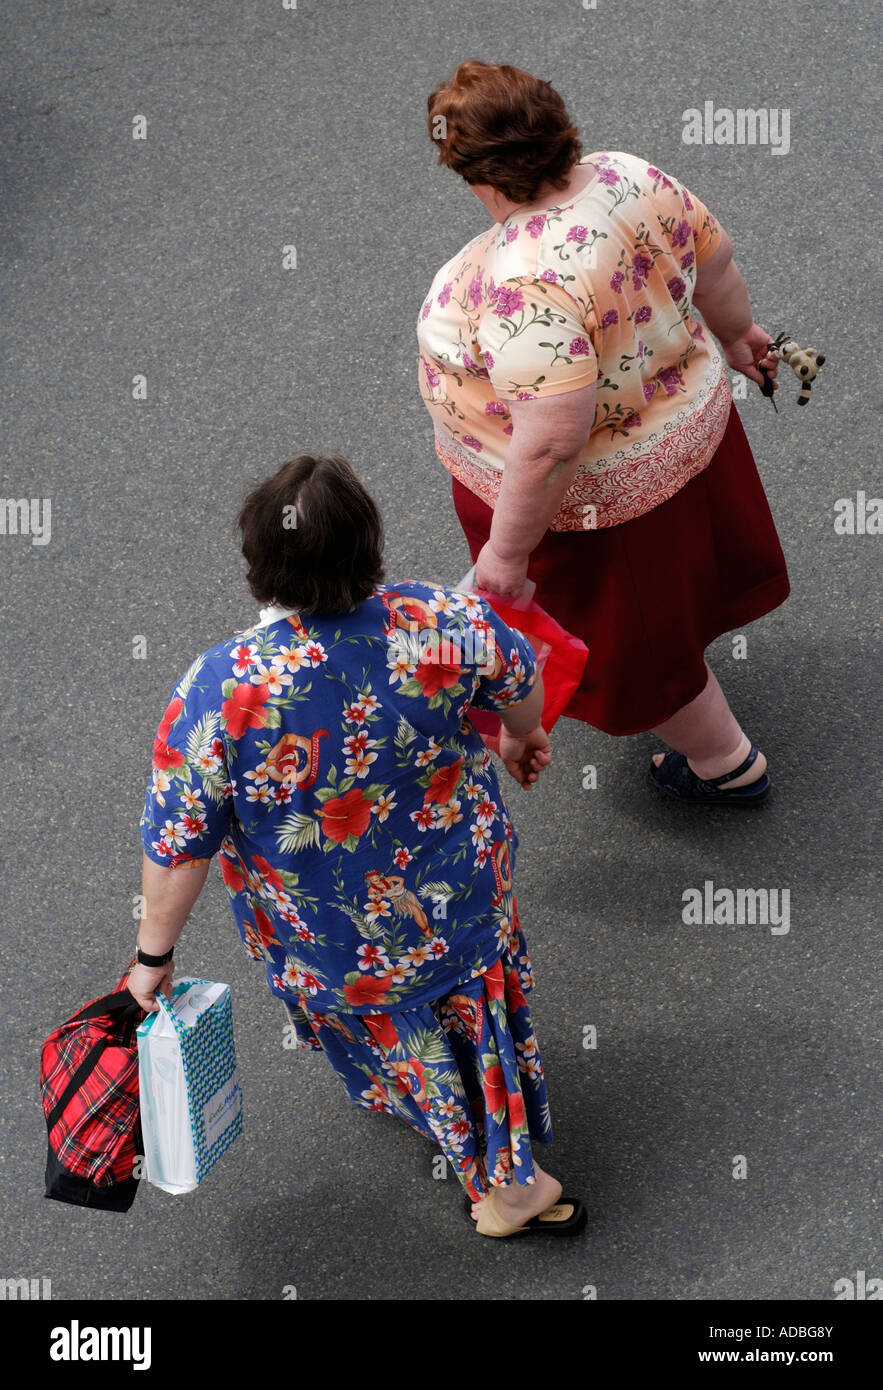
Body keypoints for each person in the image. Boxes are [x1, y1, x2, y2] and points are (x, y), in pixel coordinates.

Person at [129, 453, 584, 1238]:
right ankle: (463, 1123)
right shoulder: (442, 619)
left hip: (331, 932)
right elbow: (519, 682)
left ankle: (514, 1187)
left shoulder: (222, 688)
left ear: (259, 566)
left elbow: (179, 843)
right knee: (467, 1010)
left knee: (397, 1027)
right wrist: (522, 737)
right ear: (369, 545)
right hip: (458, 889)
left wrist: (152, 958)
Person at [419, 60, 790, 804]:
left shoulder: (520, 279)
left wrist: (504, 555)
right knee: (679, 579)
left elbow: (553, 441)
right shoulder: (628, 176)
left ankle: (722, 763)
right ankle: (698, 676)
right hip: (686, 429)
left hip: (596, 504)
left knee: (639, 639)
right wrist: (741, 336)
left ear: (476, 176)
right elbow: (712, 265)